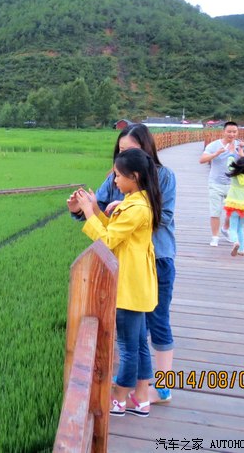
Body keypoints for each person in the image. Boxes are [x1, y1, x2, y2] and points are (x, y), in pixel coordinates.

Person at [67, 124, 176, 404]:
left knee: (156, 325)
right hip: (127, 265)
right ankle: (140, 393)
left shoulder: (161, 179)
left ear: (145, 151)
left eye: (130, 150)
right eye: (121, 150)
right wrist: (82, 208)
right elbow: (99, 208)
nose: (122, 156)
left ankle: (157, 389)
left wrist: (123, 210)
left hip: (153, 261)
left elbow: (157, 217)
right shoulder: (124, 183)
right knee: (137, 339)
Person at [199, 121, 244, 247]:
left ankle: (225, 228)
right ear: (223, 132)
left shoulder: (240, 145)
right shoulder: (214, 145)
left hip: (233, 185)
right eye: (229, 131)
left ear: (237, 132)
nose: (232, 134)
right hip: (215, 183)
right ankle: (215, 237)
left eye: (234, 132)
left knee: (232, 212)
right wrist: (216, 154)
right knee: (215, 211)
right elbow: (202, 160)